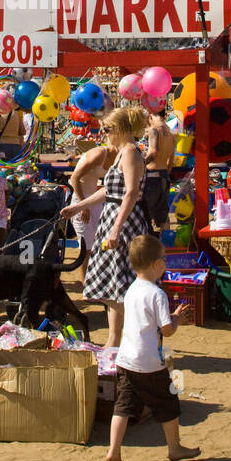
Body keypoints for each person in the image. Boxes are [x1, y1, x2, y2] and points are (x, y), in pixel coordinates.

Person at [106, 234, 200, 461]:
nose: (165, 264)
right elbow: (167, 330)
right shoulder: (156, 294)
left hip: (126, 359)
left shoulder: (131, 290)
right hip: (149, 363)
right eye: (164, 260)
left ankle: (113, 451)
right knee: (169, 404)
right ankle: (174, 448)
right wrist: (177, 318)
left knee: (123, 407)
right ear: (156, 264)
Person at [67, 105, 149, 348]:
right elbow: (109, 192)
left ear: (122, 129)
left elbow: (131, 193)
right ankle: (115, 340)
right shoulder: (122, 152)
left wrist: (116, 228)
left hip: (124, 222)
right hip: (113, 217)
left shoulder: (132, 152)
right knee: (114, 284)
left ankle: (122, 339)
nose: (105, 133)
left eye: (108, 129)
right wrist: (77, 206)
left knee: (122, 283)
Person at [67, 138, 115, 275]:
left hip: (95, 200)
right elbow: (74, 178)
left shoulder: (119, 156)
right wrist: (82, 206)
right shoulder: (98, 154)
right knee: (86, 248)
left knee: (99, 244)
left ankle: (94, 282)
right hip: (80, 199)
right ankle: (84, 288)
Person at [144, 111, 176, 231]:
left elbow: (152, 153)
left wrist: (140, 163)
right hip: (163, 175)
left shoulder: (154, 130)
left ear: (151, 116)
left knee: (146, 214)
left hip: (152, 175)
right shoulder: (172, 132)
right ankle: (166, 245)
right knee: (163, 216)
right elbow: (170, 162)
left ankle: (146, 246)